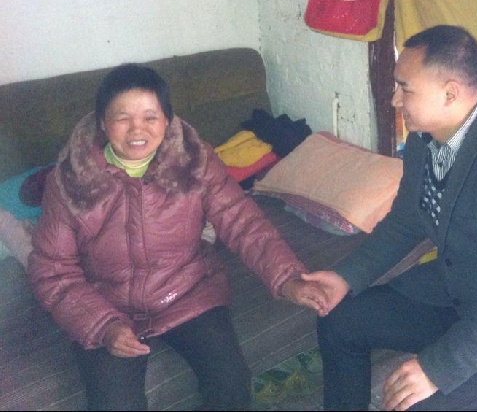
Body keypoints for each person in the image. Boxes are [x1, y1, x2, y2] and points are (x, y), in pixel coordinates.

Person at [302, 25, 477, 411]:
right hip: (455, 293)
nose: (395, 99)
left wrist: (437, 368)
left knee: (412, 404)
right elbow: (407, 221)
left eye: (405, 88)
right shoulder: (423, 138)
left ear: (450, 93)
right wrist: (346, 277)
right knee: (340, 320)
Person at [27, 63, 327, 411]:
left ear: (167, 121)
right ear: (103, 123)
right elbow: (53, 270)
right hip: (106, 301)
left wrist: (288, 278)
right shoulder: (70, 180)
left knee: (231, 384)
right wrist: (104, 326)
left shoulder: (195, 162)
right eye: (123, 118)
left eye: (150, 117)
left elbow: (243, 223)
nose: (137, 129)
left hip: (188, 292)